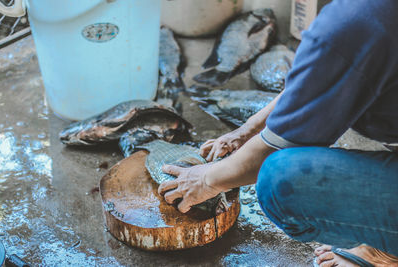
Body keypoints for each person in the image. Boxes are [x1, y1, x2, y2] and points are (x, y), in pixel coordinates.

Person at [158, 0, 398, 266]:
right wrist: (248, 130)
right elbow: (323, 74)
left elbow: (276, 148)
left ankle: (386, 249)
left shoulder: (354, 19)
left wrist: (207, 180)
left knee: (281, 179)